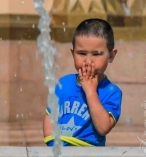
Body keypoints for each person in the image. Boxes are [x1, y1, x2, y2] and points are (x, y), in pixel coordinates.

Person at [43, 18, 122, 146]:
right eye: (81, 53)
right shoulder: (63, 84)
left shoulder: (112, 92)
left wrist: (91, 92)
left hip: (89, 151)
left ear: (111, 56)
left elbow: (103, 128)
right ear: (72, 53)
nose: (88, 61)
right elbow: (50, 114)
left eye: (96, 54)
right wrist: (50, 140)